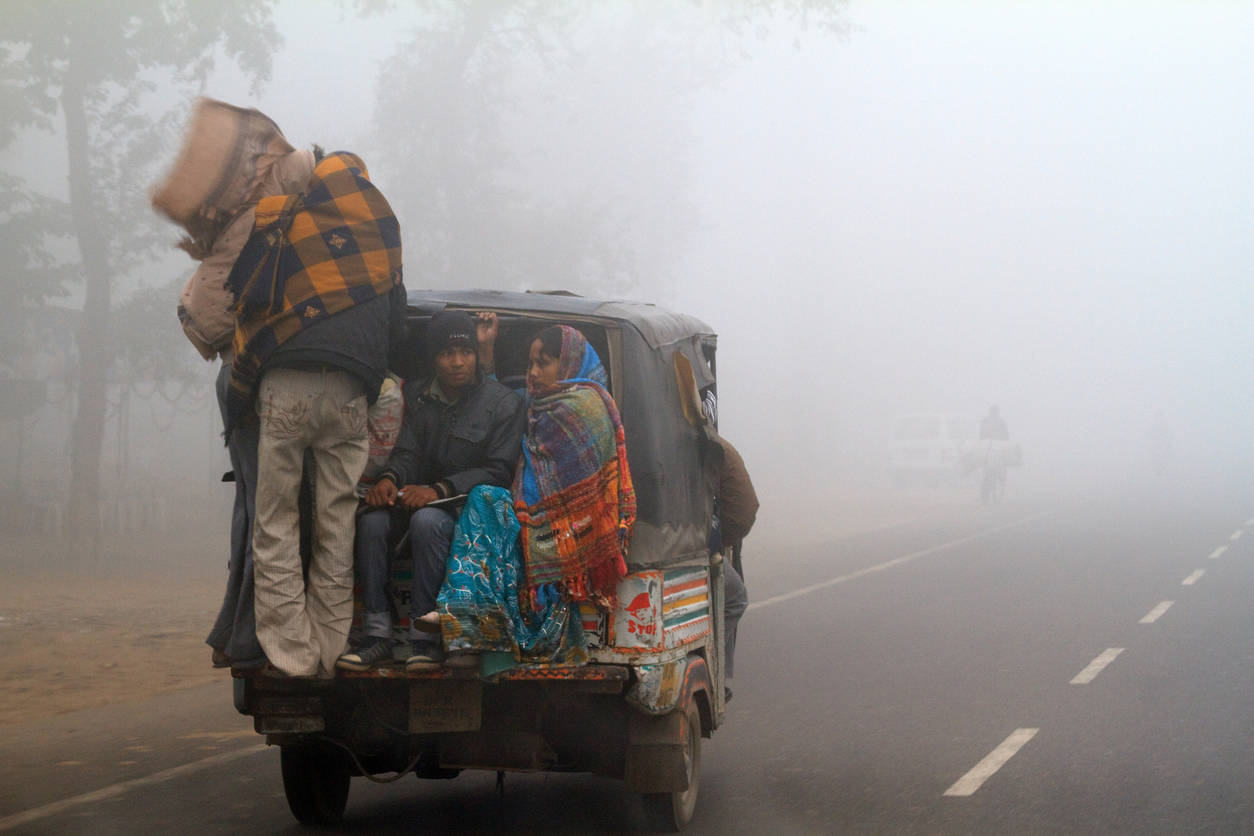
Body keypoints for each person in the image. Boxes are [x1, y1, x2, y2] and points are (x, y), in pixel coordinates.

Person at [223, 148, 406, 678]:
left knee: (277, 520)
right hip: (350, 396)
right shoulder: (382, 233)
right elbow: (397, 334)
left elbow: (248, 300)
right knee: (337, 523)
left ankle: (293, 654)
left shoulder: (284, 220)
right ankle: (329, 647)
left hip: (285, 387)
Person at [151, 99, 317, 670]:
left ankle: (229, 633)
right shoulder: (275, 216)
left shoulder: (246, 212)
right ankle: (247, 638)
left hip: (231, 370)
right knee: (272, 513)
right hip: (250, 373)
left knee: (250, 506)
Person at [434, 325, 636, 667]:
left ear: (569, 363)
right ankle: (471, 621)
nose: (533, 373)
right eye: (530, 364)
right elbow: (497, 406)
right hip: (535, 522)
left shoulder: (583, 407)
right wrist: (485, 352)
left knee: (487, 500)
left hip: (570, 532)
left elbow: (582, 490)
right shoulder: (535, 403)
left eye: (543, 363)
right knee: (486, 499)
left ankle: (472, 623)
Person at [336, 311, 526, 672]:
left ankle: (425, 640)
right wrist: (390, 479)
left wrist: (439, 489)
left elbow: (498, 470)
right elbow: (407, 451)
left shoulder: (504, 403)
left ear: (476, 354)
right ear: (433, 358)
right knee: (373, 521)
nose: (457, 362)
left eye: (465, 351)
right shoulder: (417, 396)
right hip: (416, 498)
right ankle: (376, 636)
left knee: (427, 521)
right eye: (446, 353)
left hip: (466, 511)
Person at [711, 434, 756, 699]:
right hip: (707, 541)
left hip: (718, 533)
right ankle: (718, 674)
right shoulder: (709, 441)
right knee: (736, 598)